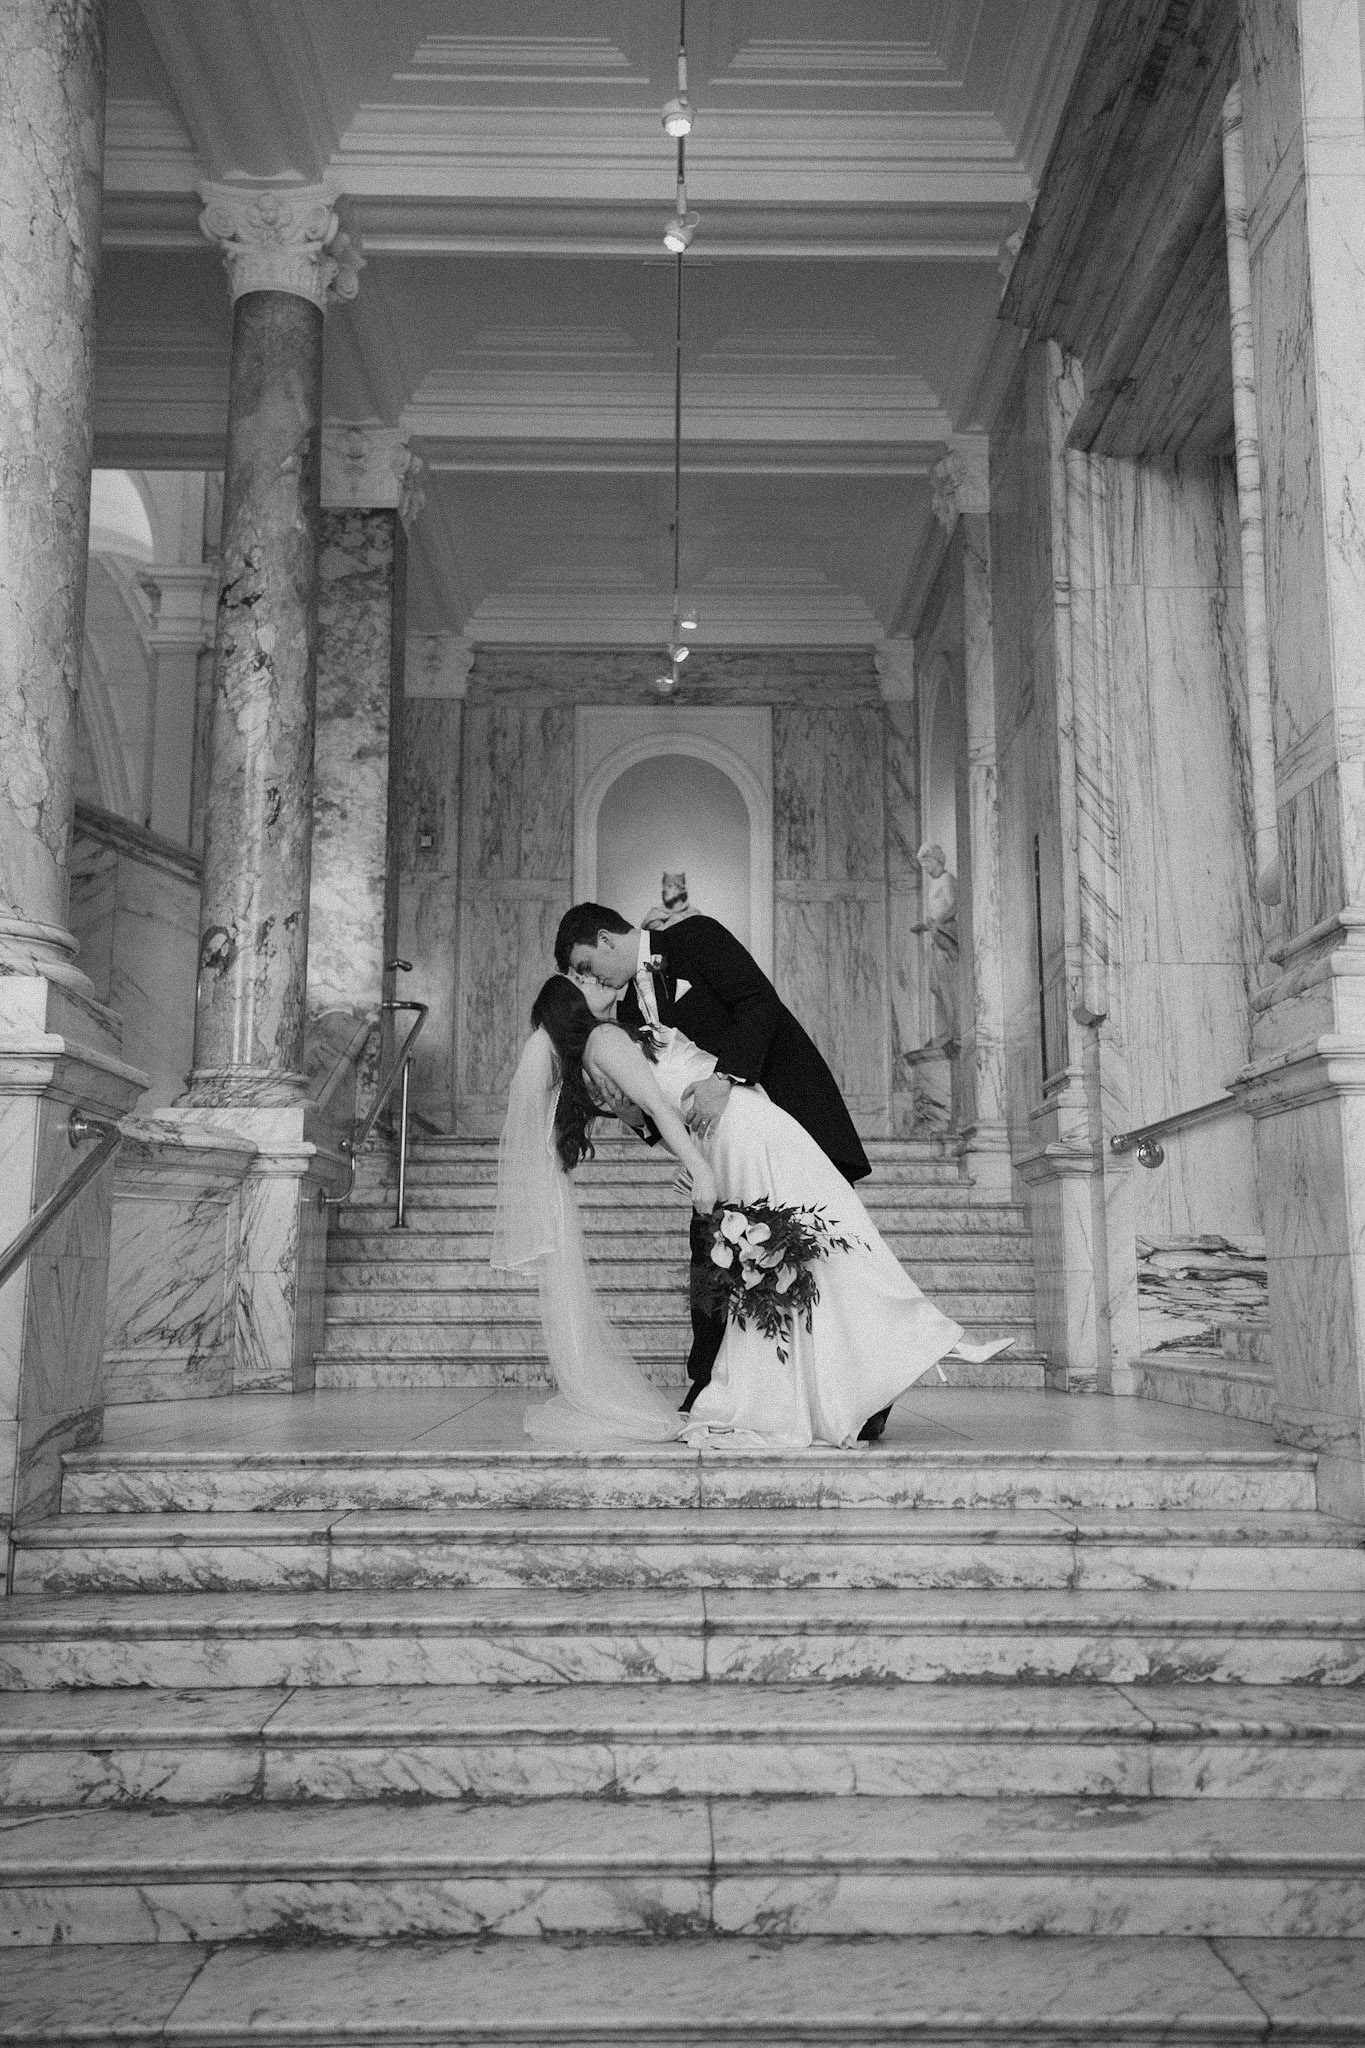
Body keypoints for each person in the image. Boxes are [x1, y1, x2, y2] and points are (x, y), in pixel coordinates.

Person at [495, 971, 1008, 1450]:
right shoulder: (603, 1042)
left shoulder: (603, 1048)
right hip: (736, 1134)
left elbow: (670, 1105)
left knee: (825, 1239)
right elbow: (659, 1108)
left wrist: (698, 1163)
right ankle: (916, 1345)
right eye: (581, 978)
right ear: (573, 1006)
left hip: (740, 1130)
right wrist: (699, 1166)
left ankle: (913, 1345)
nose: (596, 980)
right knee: (816, 1246)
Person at [553, 901, 877, 1425]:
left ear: (606, 940)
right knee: (711, 1257)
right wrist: (637, 1120)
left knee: (829, 1258)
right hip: (721, 1152)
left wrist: (725, 1080)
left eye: (587, 965)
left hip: (792, 1116)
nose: (589, 979)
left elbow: (759, 1005)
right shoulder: (630, 1015)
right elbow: (663, 1101)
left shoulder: (695, 938)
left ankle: (866, 1398)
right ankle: (708, 1383)